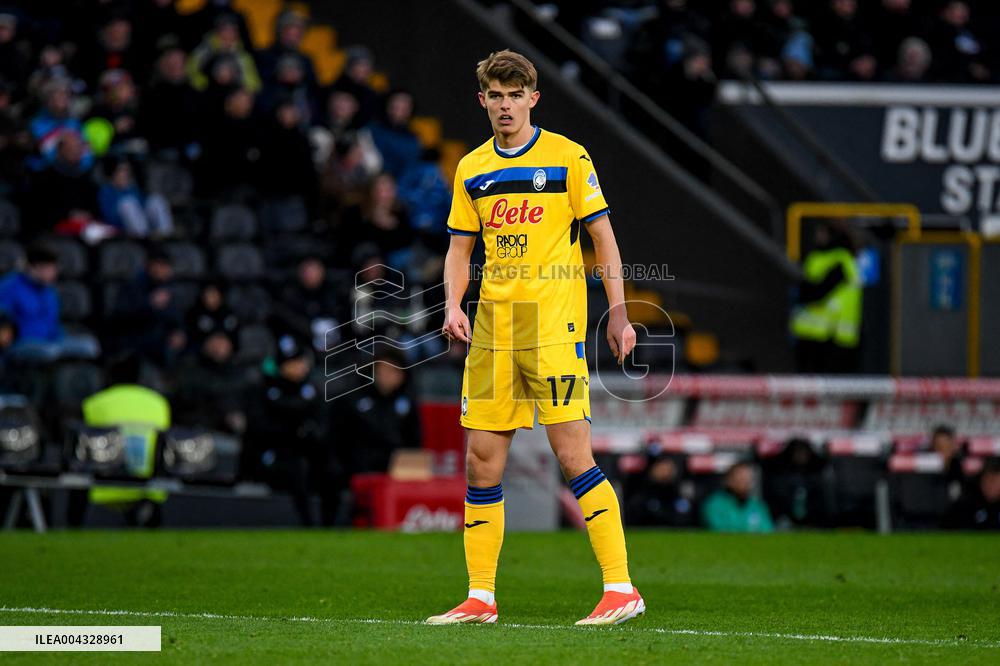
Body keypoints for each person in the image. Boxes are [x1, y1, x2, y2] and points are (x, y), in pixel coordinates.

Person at [426, 51, 641, 627]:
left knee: (572, 455)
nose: (504, 105)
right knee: (481, 462)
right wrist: (452, 304)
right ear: (483, 101)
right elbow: (458, 249)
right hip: (496, 328)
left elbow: (604, 237)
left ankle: (621, 588)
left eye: (514, 95)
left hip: (552, 327)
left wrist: (618, 313)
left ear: (533, 99)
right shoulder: (470, 168)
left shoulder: (568, 157)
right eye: (495, 95)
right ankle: (481, 597)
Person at [0, 244, 99, 361]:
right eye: (50, 268)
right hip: (23, 343)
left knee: (89, 345)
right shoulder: (10, 286)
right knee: (50, 351)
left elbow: (53, 323)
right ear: (35, 267)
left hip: (52, 341)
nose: (54, 273)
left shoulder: (50, 291)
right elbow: (3, 320)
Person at [790, 220, 862, 373]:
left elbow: (815, 292)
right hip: (811, 335)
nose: (817, 236)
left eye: (822, 233)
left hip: (833, 336)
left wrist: (803, 292)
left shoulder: (840, 260)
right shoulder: (816, 257)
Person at [624, 452, 696, 527]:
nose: (665, 471)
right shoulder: (644, 485)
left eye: (667, 468)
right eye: (662, 468)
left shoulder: (675, 486)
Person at [701, 462, 774, 533]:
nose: (745, 482)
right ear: (729, 480)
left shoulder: (758, 506)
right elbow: (718, 529)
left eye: (748, 479)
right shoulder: (715, 504)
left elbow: (767, 530)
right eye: (740, 478)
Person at [947, 460, 1000, 530]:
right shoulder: (968, 503)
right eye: (987, 480)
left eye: (995, 481)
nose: (991, 486)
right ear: (981, 481)